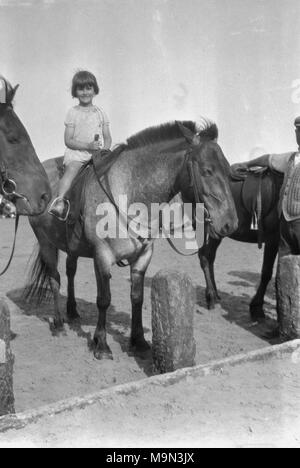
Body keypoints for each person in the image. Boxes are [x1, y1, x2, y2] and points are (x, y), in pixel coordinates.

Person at [48, 70, 112, 220]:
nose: (85, 92)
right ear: (75, 92)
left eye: (88, 88)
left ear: (94, 90)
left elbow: (108, 137)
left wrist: (104, 150)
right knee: (71, 170)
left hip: (97, 154)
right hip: (77, 154)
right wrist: (88, 145)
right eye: (81, 89)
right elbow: (68, 140)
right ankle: (60, 201)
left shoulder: (101, 112)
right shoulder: (73, 112)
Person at [232, 116, 300, 255]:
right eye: (298, 131)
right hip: (285, 221)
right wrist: (246, 164)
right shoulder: (291, 158)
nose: (298, 134)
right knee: (285, 262)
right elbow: (268, 159)